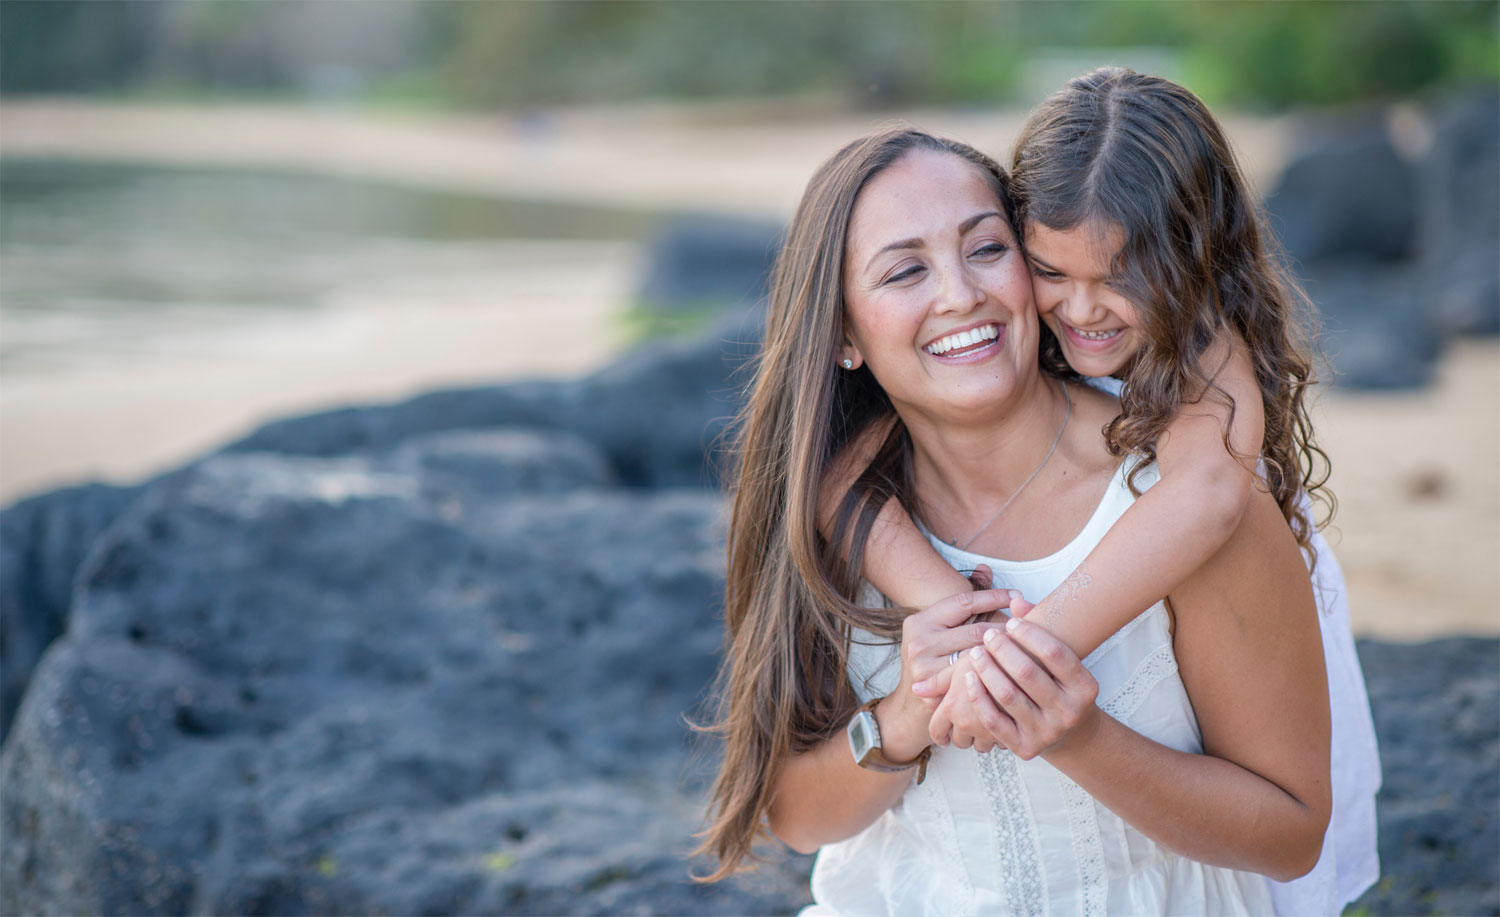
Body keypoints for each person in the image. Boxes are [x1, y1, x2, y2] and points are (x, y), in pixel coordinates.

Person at [697, 123, 1330, 914]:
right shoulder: (834, 513)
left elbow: (1292, 834)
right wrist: (907, 711)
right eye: (904, 272)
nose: (961, 294)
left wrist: (1078, 736)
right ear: (843, 336)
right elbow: (796, 816)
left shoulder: (1186, 498)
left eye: (987, 249)